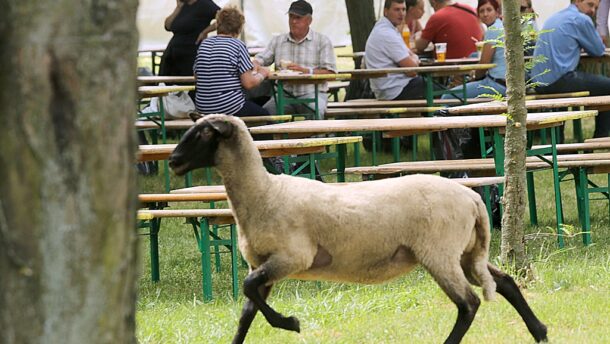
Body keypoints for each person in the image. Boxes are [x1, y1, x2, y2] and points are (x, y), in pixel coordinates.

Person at [532, 0, 609, 138]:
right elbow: (598, 50)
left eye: (596, 8)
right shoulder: (581, 19)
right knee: (607, 86)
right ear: (577, 1)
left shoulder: (554, 17)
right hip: (558, 80)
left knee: (575, 81)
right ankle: (601, 137)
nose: (593, 10)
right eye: (590, 4)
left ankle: (560, 141)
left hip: (538, 82)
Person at [253, 0, 337, 118]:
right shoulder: (278, 41)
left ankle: (312, 136)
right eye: (291, 17)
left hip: (312, 93)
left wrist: (305, 71)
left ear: (309, 21)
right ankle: (279, 136)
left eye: (298, 18)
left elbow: (331, 74)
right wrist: (255, 63)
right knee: (267, 115)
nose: (293, 21)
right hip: (284, 95)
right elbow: (260, 59)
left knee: (315, 112)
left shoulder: (322, 41)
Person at [193, 6, 270, 116]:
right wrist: (263, 73)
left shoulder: (204, 44)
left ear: (218, 24)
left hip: (203, 107)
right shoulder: (238, 45)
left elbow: (197, 76)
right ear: (239, 28)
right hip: (229, 107)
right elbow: (248, 83)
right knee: (265, 117)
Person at [441, 0, 506, 101]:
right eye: (482, 11)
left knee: (447, 97)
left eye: (489, 10)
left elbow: (484, 64)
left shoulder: (493, 30)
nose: (485, 14)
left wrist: (474, 77)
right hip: (506, 84)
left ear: (497, 12)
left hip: (497, 84)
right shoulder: (501, 26)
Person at [365, 0, 424, 101]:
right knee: (439, 87)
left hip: (389, 88)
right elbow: (413, 70)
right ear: (386, 11)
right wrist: (414, 58)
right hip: (394, 90)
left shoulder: (385, 28)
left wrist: (412, 57)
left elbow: (409, 55)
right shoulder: (387, 33)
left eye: (403, 9)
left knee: (431, 84)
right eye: (397, 9)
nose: (401, 13)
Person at [159, 0, 220, 77]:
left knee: (189, 82)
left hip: (191, 52)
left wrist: (205, 31)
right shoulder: (182, 5)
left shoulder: (205, 4)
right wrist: (178, 8)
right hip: (173, 52)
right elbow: (167, 26)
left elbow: (223, 17)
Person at [415, 0, 483, 59]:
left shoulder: (438, 16)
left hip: (451, 67)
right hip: (476, 63)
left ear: (434, 2)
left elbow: (420, 46)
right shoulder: (471, 10)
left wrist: (417, 35)